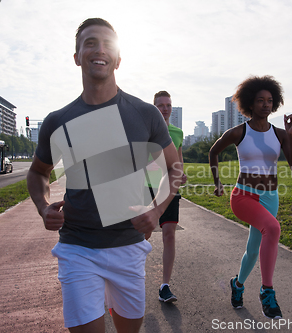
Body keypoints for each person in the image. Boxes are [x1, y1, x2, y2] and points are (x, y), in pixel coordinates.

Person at [27, 18, 182, 333]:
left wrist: (157, 209)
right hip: (77, 246)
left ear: (118, 58)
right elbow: (37, 173)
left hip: (128, 246)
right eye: (89, 42)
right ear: (76, 57)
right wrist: (43, 207)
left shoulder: (145, 114)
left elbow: (175, 170)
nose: (99, 50)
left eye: (107, 44)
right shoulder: (58, 120)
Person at [209, 75, 292, 319]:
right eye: (260, 100)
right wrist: (218, 182)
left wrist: (291, 135)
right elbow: (213, 151)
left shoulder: (280, 134)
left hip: (270, 196)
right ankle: (267, 292)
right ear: (250, 103)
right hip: (243, 196)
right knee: (272, 228)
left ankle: (237, 285)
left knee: (253, 248)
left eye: (270, 100)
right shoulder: (239, 132)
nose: (266, 104)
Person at [151, 91, 187, 303]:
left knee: (169, 235)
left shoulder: (177, 132)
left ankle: (165, 285)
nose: (165, 108)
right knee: (141, 237)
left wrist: (180, 174)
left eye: (168, 105)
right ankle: (130, 280)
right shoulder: (146, 130)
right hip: (147, 188)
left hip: (170, 189)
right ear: (154, 107)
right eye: (160, 105)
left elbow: (179, 160)